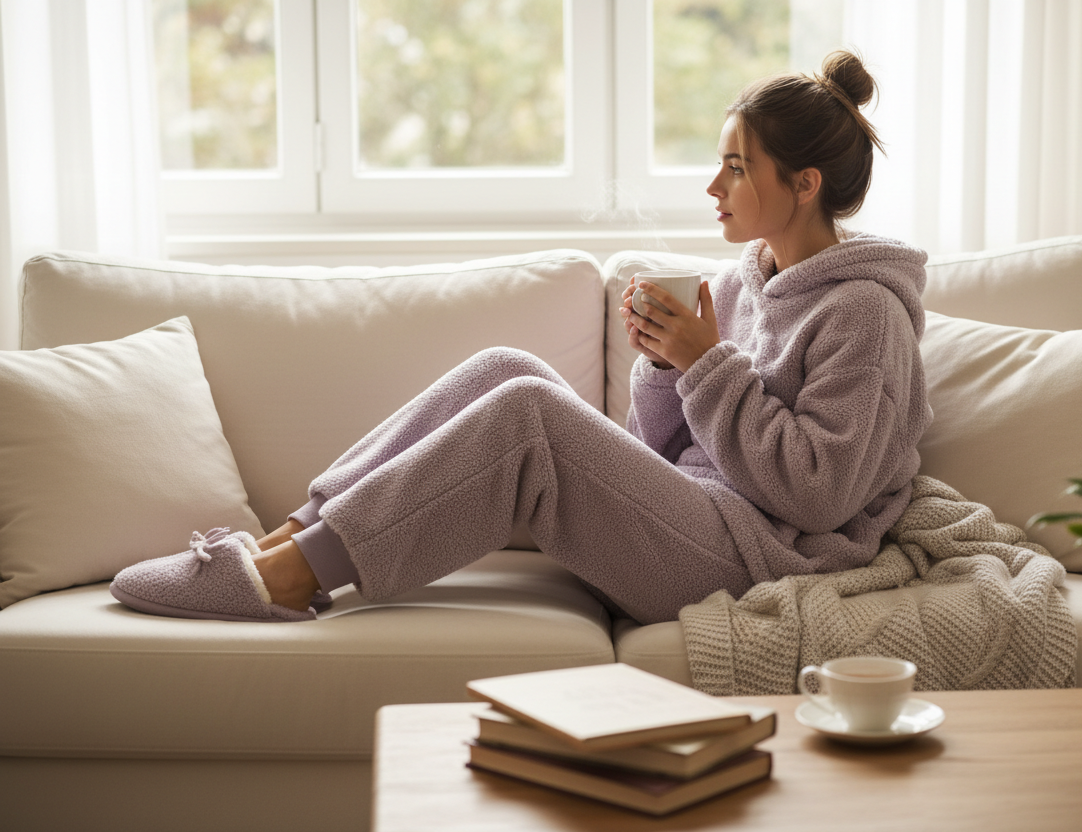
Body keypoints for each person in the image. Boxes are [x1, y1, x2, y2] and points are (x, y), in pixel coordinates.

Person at [110, 50, 932, 626]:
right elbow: (669, 447)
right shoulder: (741, 283)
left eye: (736, 168)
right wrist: (663, 363)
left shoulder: (863, 313)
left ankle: (291, 582)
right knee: (508, 368)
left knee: (530, 416)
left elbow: (820, 493)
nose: (712, 185)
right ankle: (286, 539)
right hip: (702, 519)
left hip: (762, 557)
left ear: (805, 184)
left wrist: (704, 365)